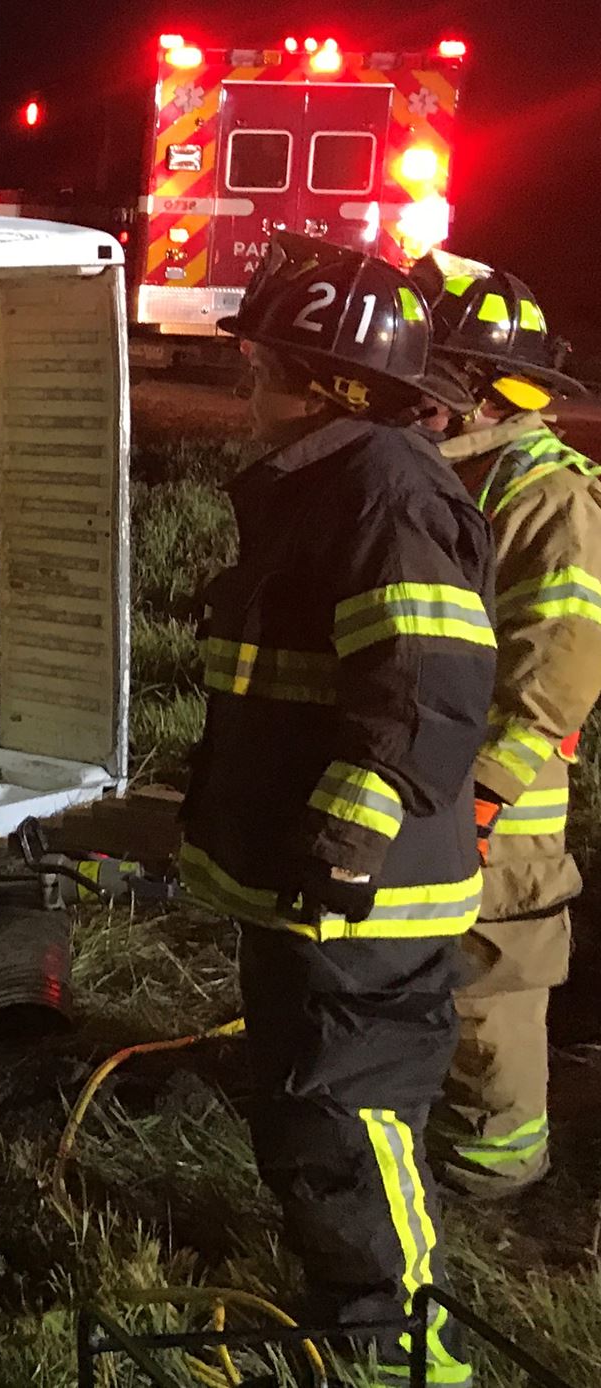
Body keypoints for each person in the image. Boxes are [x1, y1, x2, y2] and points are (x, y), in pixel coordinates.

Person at [179, 248, 492, 1386]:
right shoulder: (328, 481)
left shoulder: (384, 490)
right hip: (314, 882)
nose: (246, 386)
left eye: (263, 365)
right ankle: (346, 1315)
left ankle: (401, 1352)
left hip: (356, 893)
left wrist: (343, 839)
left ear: (333, 382)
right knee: (314, 1115)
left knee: (344, 1122)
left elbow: (427, 679)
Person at [411, 253, 599, 1199]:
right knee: (428, 982)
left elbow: (558, 668)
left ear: (484, 390)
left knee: (494, 998)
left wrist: (483, 798)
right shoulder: (444, 478)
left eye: (436, 377)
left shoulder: (546, 495)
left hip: (503, 812)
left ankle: (497, 1188)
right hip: (429, 789)